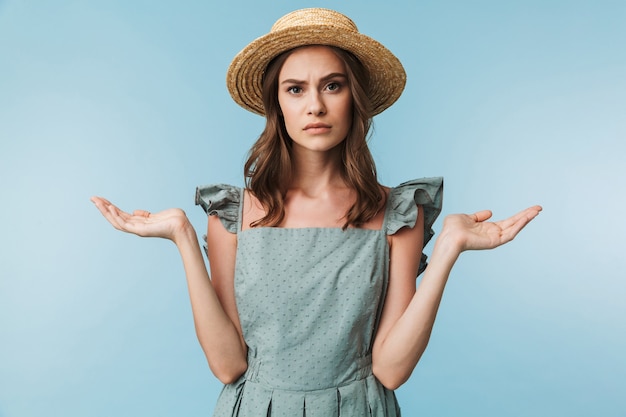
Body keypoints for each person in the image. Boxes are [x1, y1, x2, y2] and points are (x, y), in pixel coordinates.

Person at [91, 8, 541, 416]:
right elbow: (228, 366)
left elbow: (391, 370)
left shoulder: (397, 213)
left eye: (332, 85)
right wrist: (184, 239)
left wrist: (446, 250)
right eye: (295, 89)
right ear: (277, 104)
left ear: (354, 99)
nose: (315, 105)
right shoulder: (232, 214)